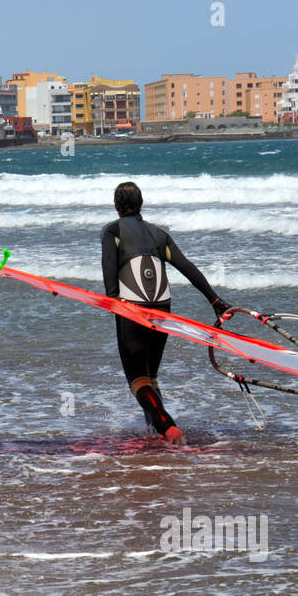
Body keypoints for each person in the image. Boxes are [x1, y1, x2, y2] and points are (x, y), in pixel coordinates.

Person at [101, 181, 231, 443]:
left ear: (116, 206)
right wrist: (214, 300)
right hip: (163, 308)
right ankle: (156, 433)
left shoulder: (112, 231)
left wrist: (114, 301)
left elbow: (110, 275)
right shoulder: (160, 235)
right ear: (141, 204)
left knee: (138, 380)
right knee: (151, 376)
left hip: (132, 308)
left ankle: (168, 429)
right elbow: (186, 266)